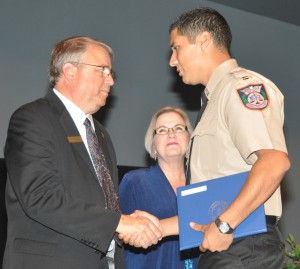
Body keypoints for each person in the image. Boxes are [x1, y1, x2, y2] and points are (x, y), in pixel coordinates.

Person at [3, 36, 162, 269]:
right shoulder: (32, 119)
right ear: (69, 71)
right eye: (103, 70)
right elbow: (40, 197)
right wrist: (119, 223)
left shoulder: (101, 134)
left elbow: (104, 206)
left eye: (111, 73)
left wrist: (128, 228)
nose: (111, 80)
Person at [167, 7, 291, 269]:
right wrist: (155, 227)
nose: (172, 60)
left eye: (176, 48)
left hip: (243, 247)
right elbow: (210, 201)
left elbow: (274, 163)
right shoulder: (214, 98)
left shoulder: (241, 87)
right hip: (228, 245)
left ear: (203, 40)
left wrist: (224, 224)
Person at [119, 107, 199, 269]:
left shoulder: (203, 182)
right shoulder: (134, 181)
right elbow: (118, 234)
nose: (171, 134)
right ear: (153, 144)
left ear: (189, 138)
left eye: (178, 128)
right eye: (162, 130)